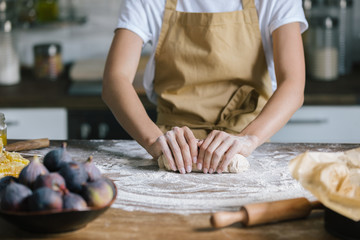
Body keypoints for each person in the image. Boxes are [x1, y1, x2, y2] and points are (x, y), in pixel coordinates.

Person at [102, 0, 308, 174]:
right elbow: (115, 79)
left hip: (247, 145)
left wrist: (248, 138)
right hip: (173, 147)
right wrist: (153, 140)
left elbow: (293, 83)